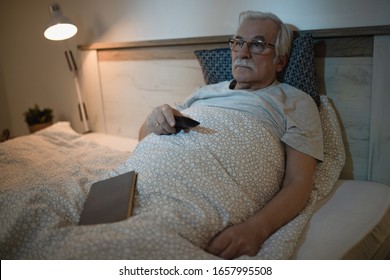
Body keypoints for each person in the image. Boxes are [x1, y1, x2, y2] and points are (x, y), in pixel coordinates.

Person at [138, 11, 323, 259]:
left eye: (257, 45)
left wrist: (256, 229)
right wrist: (154, 120)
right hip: (145, 175)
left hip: (204, 191)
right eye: (238, 42)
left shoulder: (295, 101)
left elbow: (298, 183)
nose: (242, 53)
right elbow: (142, 140)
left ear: (280, 61)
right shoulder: (204, 92)